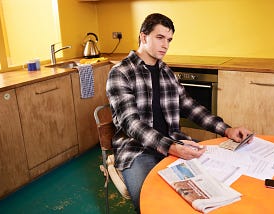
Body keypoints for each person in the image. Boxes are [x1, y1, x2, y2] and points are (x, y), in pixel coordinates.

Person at [106, 13, 252, 213]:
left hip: (174, 143)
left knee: (213, 192)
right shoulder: (120, 73)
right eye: (160, 37)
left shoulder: (166, 72)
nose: (165, 45)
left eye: (169, 40)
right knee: (150, 202)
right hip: (137, 151)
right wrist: (171, 147)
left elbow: (190, 106)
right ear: (143, 36)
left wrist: (227, 130)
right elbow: (131, 123)